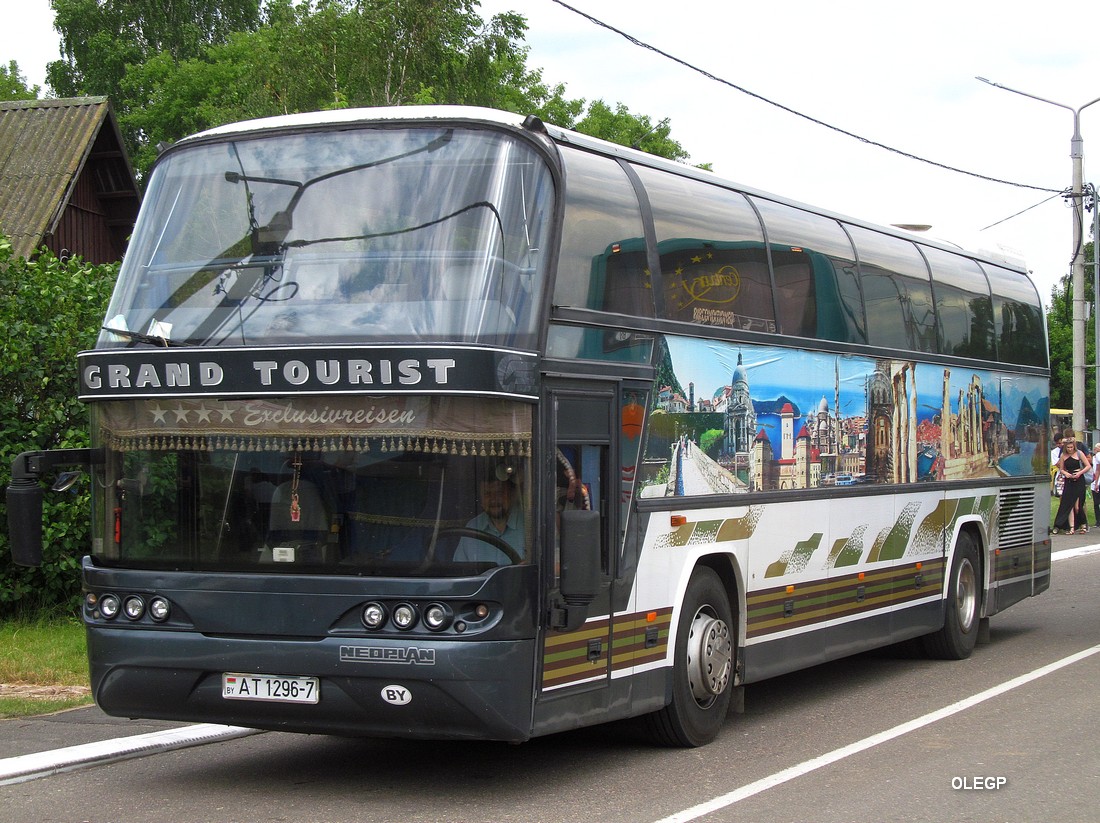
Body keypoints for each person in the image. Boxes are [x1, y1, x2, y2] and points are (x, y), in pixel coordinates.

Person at [454, 476, 525, 565]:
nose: (493, 499)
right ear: (481, 500)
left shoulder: (529, 524)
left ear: (511, 495)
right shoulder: (472, 528)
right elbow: (460, 571)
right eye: (487, 494)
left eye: (499, 492)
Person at [1053, 434, 1091, 534]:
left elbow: (1087, 466)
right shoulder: (1063, 456)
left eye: (1071, 447)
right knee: (1069, 504)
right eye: (1068, 447)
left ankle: (1083, 524)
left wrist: (1079, 473)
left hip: (1079, 479)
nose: (1070, 449)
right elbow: (1061, 469)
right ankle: (1071, 528)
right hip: (1069, 480)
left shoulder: (1079, 453)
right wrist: (1067, 474)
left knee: (1078, 506)